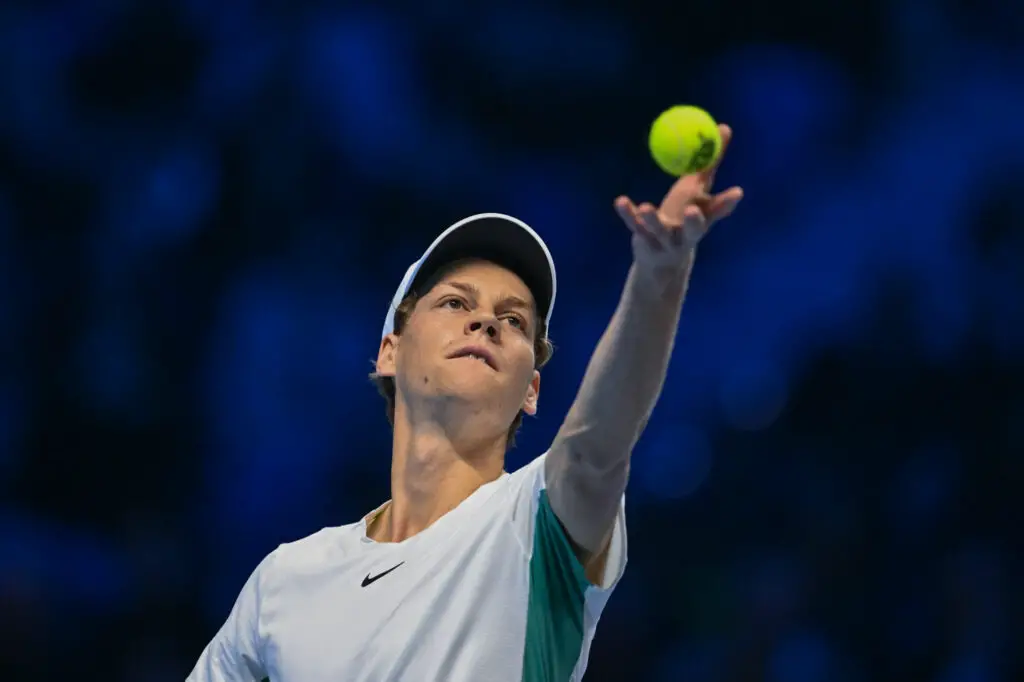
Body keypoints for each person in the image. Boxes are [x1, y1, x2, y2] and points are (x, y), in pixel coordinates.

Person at [187, 126, 743, 682]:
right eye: (456, 303)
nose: (485, 322)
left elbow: (596, 449)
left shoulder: (535, 523)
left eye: (514, 320)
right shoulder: (285, 579)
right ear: (390, 352)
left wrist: (658, 276)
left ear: (531, 390)